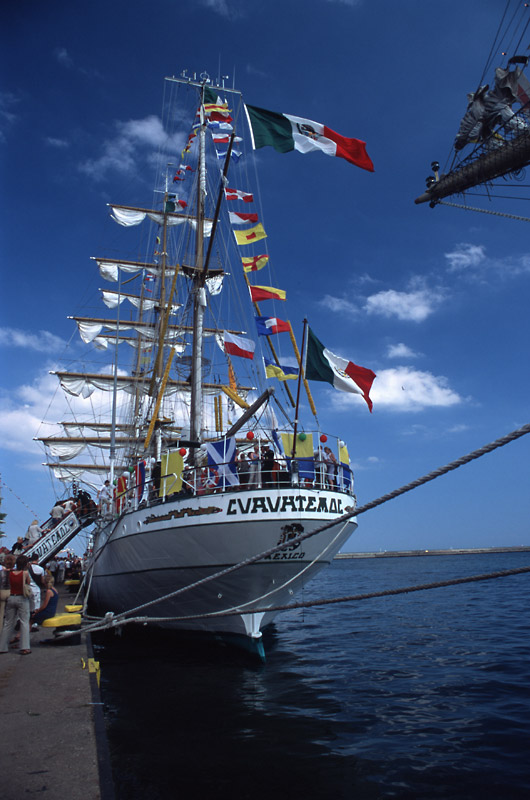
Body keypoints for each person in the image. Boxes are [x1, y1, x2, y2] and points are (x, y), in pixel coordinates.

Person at [0, 554, 32, 654]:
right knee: (24, 622)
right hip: (22, 597)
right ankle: (25, 647)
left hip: (11, 597)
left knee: (8, 623)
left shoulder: (11, 573)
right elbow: (28, 583)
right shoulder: (25, 573)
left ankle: (2, 647)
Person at [0, 554, 15, 635]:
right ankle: (7, 633)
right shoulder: (14, 572)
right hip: (11, 592)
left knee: (1, 613)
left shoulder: (1, 572)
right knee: (10, 615)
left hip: (2, 591)